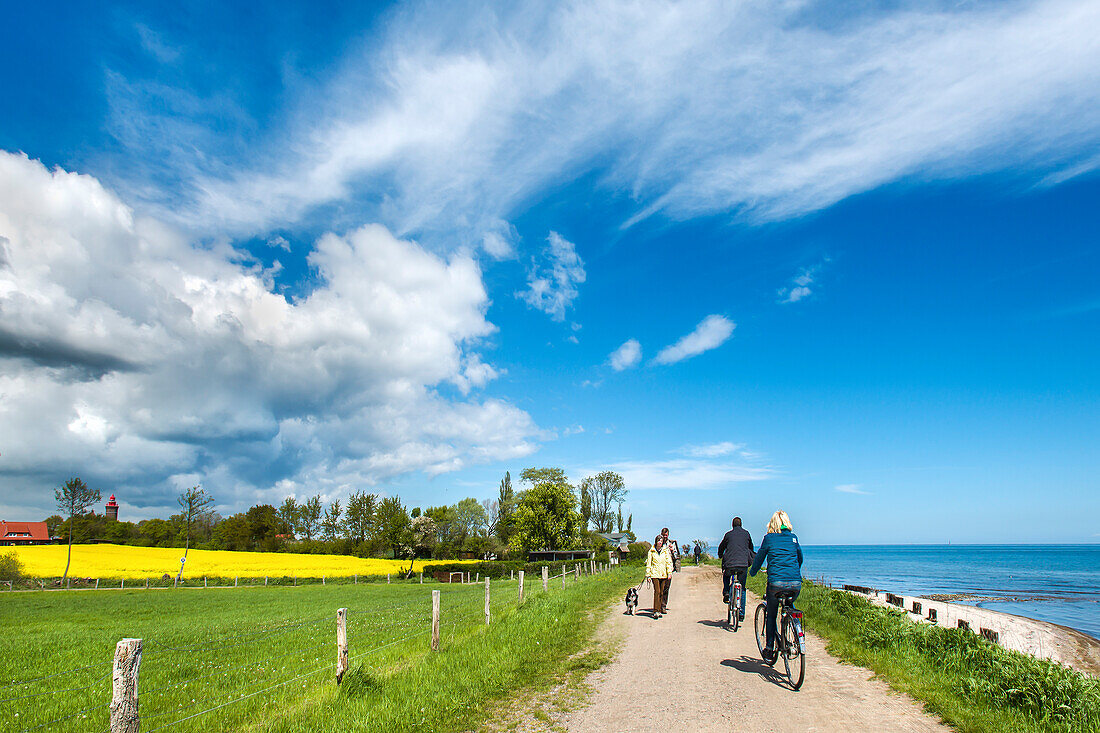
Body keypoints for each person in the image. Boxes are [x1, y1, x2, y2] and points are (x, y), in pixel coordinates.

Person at [749, 510, 803, 665]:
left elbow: (759, 557)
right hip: (795, 583)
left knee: (771, 614)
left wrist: (752, 572)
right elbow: (800, 558)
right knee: (789, 605)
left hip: (775, 583)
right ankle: (793, 632)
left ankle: (770, 647)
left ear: (772, 524)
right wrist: (794, 571)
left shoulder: (769, 539)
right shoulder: (794, 538)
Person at [717, 516, 754, 622]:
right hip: (743, 564)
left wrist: (720, 555)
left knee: (726, 576)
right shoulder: (746, 534)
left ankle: (727, 591)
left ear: (732, 525)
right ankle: (741, 613)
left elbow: (721, 547)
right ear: (741, 525)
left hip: (730, 564)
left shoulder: (728, 535)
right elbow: (751, 547)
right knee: (742, 588)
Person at [645, 534, 673, 618]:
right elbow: (649, 564)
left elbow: (668, 562)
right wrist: (648, 575)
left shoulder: (665, 551)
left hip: (663, 574)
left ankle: (660, 610)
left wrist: (669, 572)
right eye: (658, 541)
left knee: (661, 592)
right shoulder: (651, 551)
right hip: (654, 574)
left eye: (661, 541)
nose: (660, 542)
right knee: (657, 591)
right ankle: (655, 611)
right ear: (656, 542)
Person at [660, 527, 680, 609]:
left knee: (666, 588)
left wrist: (672, 551)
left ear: (668, 535)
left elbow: (676, 556)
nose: (665, 536)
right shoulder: (659, 542)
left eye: (666, 535)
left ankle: (663, 605)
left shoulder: (672, 543)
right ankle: (658, 605)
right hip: (660, 568)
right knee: (660, 588)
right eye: (663, 535)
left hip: (669, 569)